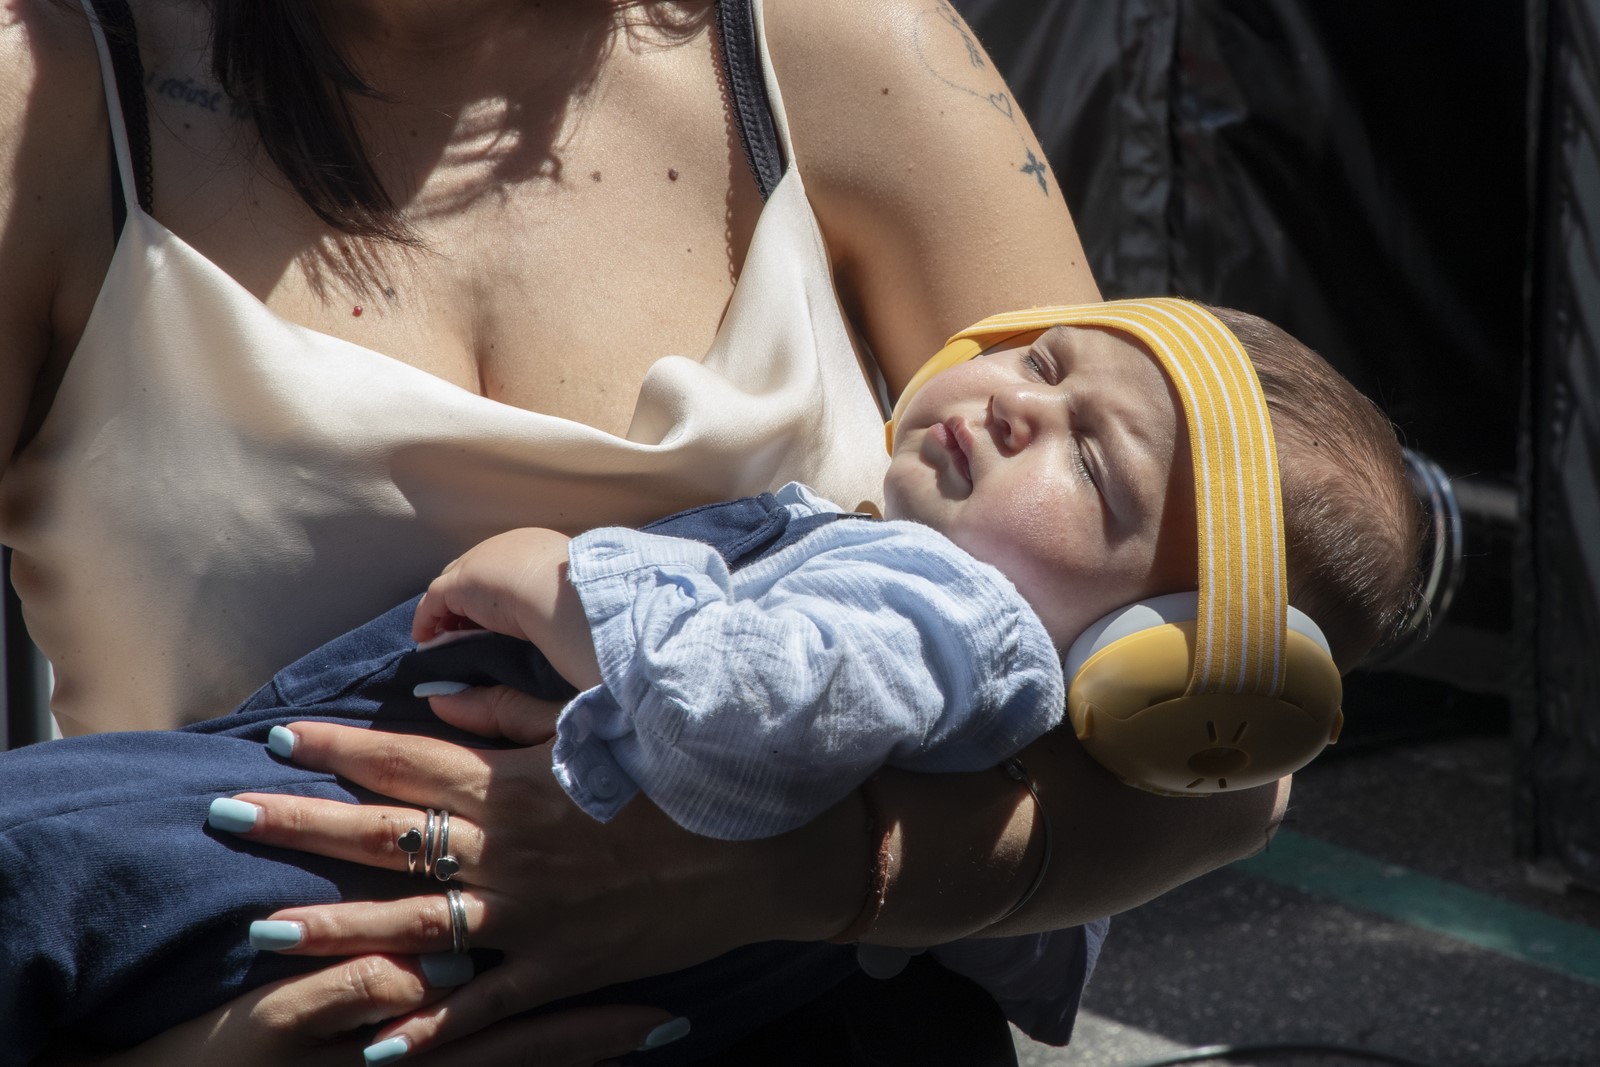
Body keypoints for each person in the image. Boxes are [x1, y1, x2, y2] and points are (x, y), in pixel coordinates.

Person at [0, 0, 1337, 1061]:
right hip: (183, 957)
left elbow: (1217, 753)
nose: (1023, 407)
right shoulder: (41, 98)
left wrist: (783, 878)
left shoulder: (845, 41)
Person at [1, 299, 1421, 1063]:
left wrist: (562, 584)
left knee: (41, 864)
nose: (1015, 404)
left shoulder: (938, 604)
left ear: (1156, 647)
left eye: (1092, 463)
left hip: (334, 843)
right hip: (409, 890)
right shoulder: (959, 637)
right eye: (1044, 361)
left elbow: (727, 719)